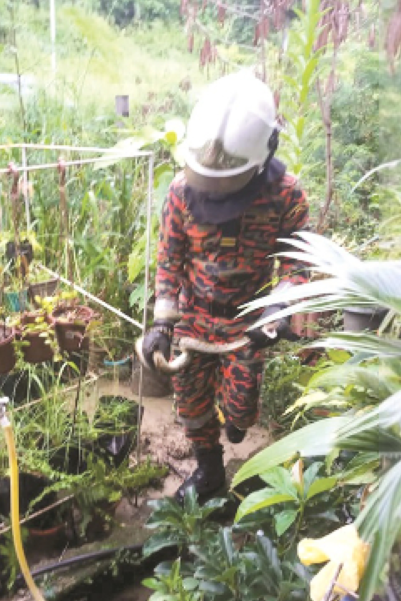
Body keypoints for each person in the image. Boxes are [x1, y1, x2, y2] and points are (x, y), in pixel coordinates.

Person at [141, 70, 310, 502]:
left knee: (240, 417)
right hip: (194, 319)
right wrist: (161, 324)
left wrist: (280, 311)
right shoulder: (180, 192)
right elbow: (169, 262)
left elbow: (297, 264)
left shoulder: (285, 196)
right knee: (191, 404)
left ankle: (233, 424)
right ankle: (209, 472)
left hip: (248, 320)